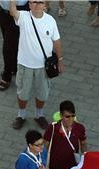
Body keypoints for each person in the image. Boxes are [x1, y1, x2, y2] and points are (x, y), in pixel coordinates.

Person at [9, 0, 63, 129]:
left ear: (45, 5)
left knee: (42, 93)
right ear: (29, 5)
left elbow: (56, 41)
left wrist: (60, 59)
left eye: (40, 2)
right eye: (34, 2)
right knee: (23, 93)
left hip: (43, 66)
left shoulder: (50, 21)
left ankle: (39, 115)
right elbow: (12, 11)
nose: (37, 4)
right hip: (25, 64)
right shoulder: (24, 17)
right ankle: (21, 115)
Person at [44, 100, 87, 169]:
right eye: (67, 116)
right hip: (53, 167)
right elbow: (45, 146)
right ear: (60, 115)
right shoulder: (53, 128)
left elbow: (83, 144)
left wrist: (85, 159)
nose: (70, 119)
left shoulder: (80, 128)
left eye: (73, 116)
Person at [0, 0, 29, 91]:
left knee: (8, 46)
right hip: (3, 9)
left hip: (18, 10)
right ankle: (14, 67)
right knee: (10, 41)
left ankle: (7, 76)